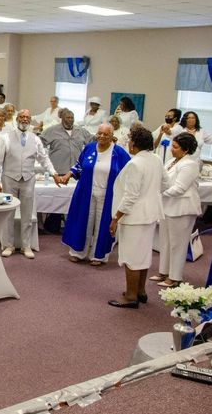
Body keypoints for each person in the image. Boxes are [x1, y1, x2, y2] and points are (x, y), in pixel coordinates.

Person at [0, 109, 61, 259]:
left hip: (28, 179)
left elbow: (44, 158)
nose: (24, 119)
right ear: (17, 119)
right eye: (22, 117)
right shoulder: (6, 138)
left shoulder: (35, 139)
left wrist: (54, 173)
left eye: (27, 117)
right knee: (8, 213)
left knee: (27, 214)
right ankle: (8, 245)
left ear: (30, 120)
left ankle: (26, 245)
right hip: (9, 178)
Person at [108, 126, 165, 308]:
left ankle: (131, 296)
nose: (128, 143)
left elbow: (130, 196)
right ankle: (141, 291)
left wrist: (116, 218)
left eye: (129, 140)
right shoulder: (156, 159)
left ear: (134, 144)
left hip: (134, 217)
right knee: (143, 255)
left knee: (131, 257)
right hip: (150, 215)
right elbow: (166, 183)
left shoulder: (135, 164)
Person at [60, 124, 131, 266]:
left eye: (106, 134)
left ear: (112, 136)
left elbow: (129, 172)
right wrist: (68, 175)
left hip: (107, 195)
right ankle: (78, 252)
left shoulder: (119, 153)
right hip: (86, 192)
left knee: (102, 224)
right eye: (100, 133)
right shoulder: (89, 147)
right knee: (83, 221)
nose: (102, 136)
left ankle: (98, 256)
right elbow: (79, 165)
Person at [153, 132, 201, 288]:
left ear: (185, 150)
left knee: (177, 245)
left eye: (175, 147)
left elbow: (179, 188)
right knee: (165, 242)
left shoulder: (190, 164)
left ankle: (175, 277)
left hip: (182, 209)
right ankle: (163, 272)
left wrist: (157, 192)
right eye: (172, 146)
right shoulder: (172, 161)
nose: (172, 149)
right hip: (167, 207)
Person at [41, 109, 92, 176]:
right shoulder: (52, 130)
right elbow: (39, 143)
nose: (70, 120)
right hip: (58, 172)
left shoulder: (81, 131)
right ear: (62, 118)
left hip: (76, 172)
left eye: (72, 118)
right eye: (68, 117)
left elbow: (92, 141)